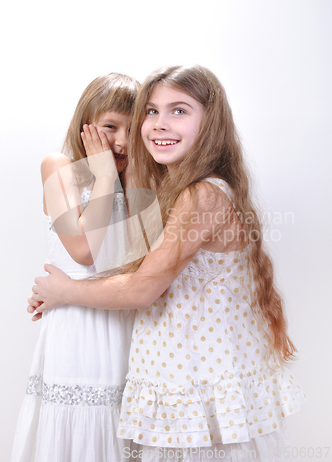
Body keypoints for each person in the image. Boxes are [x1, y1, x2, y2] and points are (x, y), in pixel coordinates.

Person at [29, 65, 306, 461]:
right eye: (153, 112)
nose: (158, 124)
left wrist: (64, 291)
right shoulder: (169, 187)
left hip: (193, 377)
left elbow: (142, 285)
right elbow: (111, 258)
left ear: (210, 124)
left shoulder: (201, 196)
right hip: (168, 371)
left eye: (179, 111)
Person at [12, 73, 140, 462]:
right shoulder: (58, 168)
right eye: (109, 127)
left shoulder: (132, 180)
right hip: (77, 327)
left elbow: (140, 256)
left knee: (120, 422)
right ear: (85, 126)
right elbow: (84, 249)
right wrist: (102, 173)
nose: (120, 140)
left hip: (120, 319)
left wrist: (120, 177)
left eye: (132, 131)